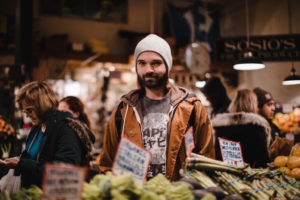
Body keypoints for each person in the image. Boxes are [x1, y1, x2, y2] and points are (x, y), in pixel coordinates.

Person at [98, 34, 215, 181]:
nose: (148, 70)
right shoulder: (123, 109)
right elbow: (107, 164)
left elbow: (207, 161)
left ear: (167, 66)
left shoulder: (192, 107)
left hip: (178, 195)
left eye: (156, 63)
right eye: (142, 63)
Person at [0, 81, 93, 188]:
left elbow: (65, 172)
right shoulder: (37, 127)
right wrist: (18, 161)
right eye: (25, 111)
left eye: (30, 110)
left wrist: (22, 164)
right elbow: (35, 159)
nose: (27, 115)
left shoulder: (65, 129)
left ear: (42, 105)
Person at [212, 89, 271, 168]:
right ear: (254, 104)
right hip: (250, 174)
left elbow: (217, 153)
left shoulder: (220, 126)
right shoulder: (257, 126)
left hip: (226, 172)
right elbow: (262, 159)